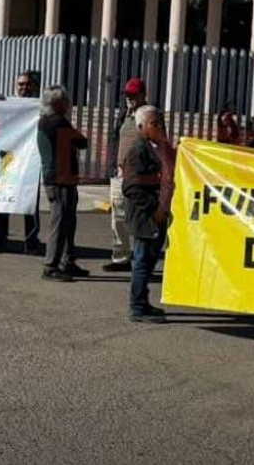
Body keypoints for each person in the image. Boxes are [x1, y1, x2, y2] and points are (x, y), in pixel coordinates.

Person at [122, 105, 173, 324]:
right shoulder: (138, 151)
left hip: (159, 213)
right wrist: (155, 210)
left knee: (150, 260)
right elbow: (131, 187)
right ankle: (137, 307)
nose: (160, 127)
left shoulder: (160, 148)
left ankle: (142, 302)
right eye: (155, 123)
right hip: (146, 216)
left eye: (161, 122)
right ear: (141, 127)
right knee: (142, 262)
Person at [38, 84, 89, 282]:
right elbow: (81, 142)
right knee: (60, 222)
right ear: (57, 103)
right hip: (61, 179)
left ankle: (67, 261)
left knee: (67, 221)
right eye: (65, 100)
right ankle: (51, 266)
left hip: (57, 178)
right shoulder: (58, 122)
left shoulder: (44, 121)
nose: (68, 104)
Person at [0, 71, 42, 254]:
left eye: (27, 84)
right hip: (8, 162)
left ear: (34, 87)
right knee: (3, 202)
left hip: (30, 162)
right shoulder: (7, 104)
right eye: (21, 84)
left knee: (30, 205)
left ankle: (31, 243)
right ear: (15, 86)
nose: (24, 88)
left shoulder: (39, 106)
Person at [106, 78, 149, 272]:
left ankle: (142, 259)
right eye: (127, 95)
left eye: (133, 95)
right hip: (120, 173)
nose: (130, 99)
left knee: (139, 217)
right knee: (118, 217)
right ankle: (121, 258)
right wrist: (115, 164)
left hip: (138, 175)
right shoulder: (124, 115)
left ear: (142, 95)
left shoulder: (148, 115)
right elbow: (115, 139)